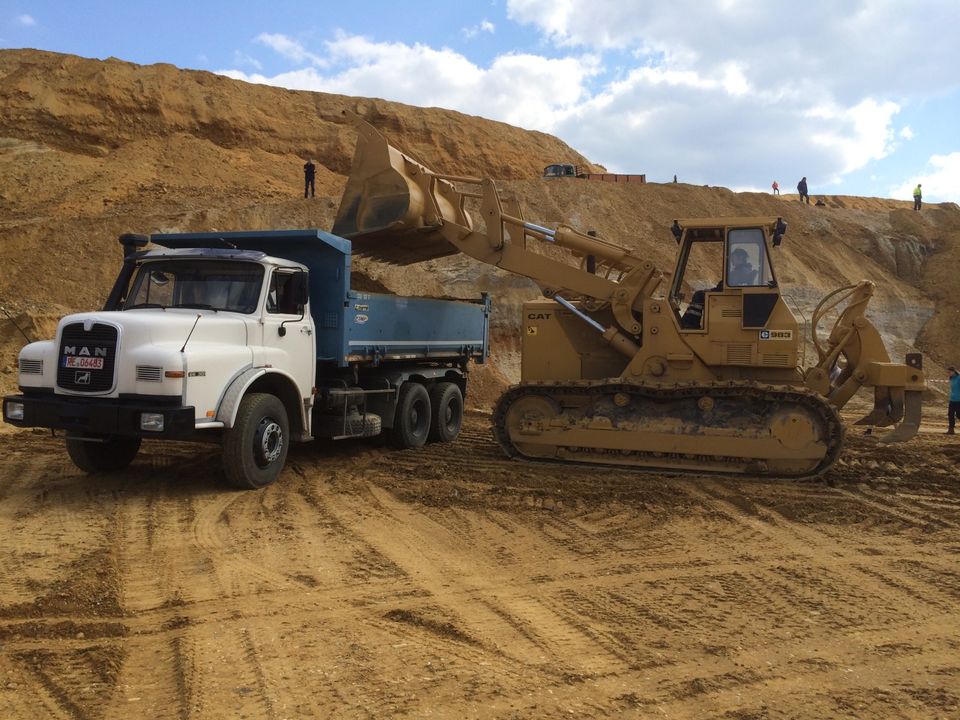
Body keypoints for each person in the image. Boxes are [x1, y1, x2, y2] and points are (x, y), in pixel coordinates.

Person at [947, 366, 960, 435]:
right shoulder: (951, 379)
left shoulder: (959, 378)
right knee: (950, 414)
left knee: (959, 415)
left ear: (954, 371)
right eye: (947, 372)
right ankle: (951, 430)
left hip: (959, 400)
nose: (948, 374)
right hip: (952, 400)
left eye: (949, 372)